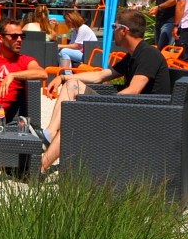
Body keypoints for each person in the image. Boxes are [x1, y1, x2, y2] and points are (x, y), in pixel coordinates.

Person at [37, 10, 170, 171]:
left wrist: (97, 104)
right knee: (72, 84)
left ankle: (40, 167)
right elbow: (101, 75)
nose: (112, 29)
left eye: (114, 26)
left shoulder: (149, 54)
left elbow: (134, 90)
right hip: (131, 109)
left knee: (75, 119)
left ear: (124, 30)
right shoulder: (133, 54)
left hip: (144, 117)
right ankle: (50, 133)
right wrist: (62, 77)